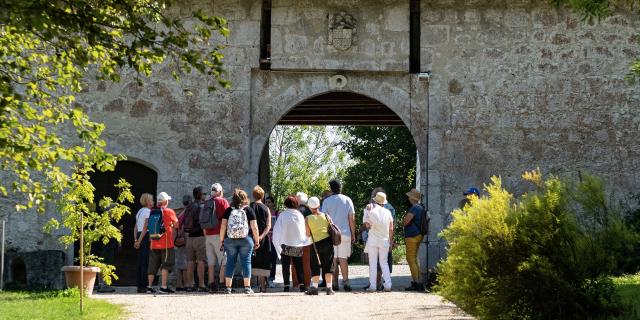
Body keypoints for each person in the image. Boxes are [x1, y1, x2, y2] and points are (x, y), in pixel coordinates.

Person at [219, 188, 260, 294]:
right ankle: (247, 287)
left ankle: (228, 288)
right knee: (246, 262)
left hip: (230, 240)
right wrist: (256, 240)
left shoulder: (228, 210)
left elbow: (223, 226)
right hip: (246, 240)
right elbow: (254, 227)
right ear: (245, 198)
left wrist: (222, 240)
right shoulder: (249, 210)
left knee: (230, 263)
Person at [320, 179, 355, 291]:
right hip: (345, 233)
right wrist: (353, 234)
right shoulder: (347, 199)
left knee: (334, 259)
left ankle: (335, 283)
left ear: (331, 189)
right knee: (343, 259)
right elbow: (351, 218)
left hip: (332, 234)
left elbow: (324, 218)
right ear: (341, 188)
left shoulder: (327, 201)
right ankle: (346, 282)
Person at [361, 187, 397, 291]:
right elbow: (391, 228)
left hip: (373, 240)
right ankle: (388, 285)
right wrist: (390, 241)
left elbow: (367, 225)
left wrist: (366, 213)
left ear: (375, 200)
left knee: (373, 263)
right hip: (385, 240)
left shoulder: (371, 211)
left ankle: (372, 286)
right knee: (384, 263)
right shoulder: (388, 212)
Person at [272, 195, 309, 292]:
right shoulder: (299, 215)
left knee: (285, 266)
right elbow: (302, 229)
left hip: (285, 243)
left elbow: (277, 230)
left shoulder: (283, 215)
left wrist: (277, 242)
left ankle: (286, 286)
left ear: (286, 204)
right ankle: (301, 285)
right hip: (297, 243)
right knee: (298, 265)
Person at [144, 191, 178, 294]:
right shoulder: (169, 211)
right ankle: (163, 287)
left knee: (152, 265)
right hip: (167, 243)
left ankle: (149, 287)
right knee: (165, 265)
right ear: (166, 201)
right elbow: (176, 225)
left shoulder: (152, 212)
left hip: (154, 242)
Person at [304, 197, 335, 295]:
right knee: (328, 265)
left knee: (315, 265)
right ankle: (329, 288)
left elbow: (308, 234)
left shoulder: (308, 218)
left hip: (315, 244)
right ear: (318, 206)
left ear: (309, 207)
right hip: (327, 242)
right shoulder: (326, 216)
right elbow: (332, 227)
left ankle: (314, 288)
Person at [203, 183, 230, 293]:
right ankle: (222, 283)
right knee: (224, 260)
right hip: (219, 234)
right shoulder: (223, 201)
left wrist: (205, 233)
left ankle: (211, 284)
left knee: (211, 261)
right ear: (219, 192)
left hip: (208, 234)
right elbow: (228, 216)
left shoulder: (207, 202)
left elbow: (203, 220)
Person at [184, 186, 207, 292]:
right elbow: (203, 222)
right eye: (204, 194)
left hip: (189, 237)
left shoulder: (189, 206)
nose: (205, 196)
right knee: (201, 261)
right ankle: (201, 284)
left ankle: (189, 284)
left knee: (190, 261)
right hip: (200, 236)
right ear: (199, 195)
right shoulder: (202, 206)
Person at [250, 185, 272, 293]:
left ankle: (249, 285)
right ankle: (263, 286)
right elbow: (268, 226)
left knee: (251, 260)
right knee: (263, 261)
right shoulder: (266, 208)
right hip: (263, 238)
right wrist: (261, 236)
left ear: (253, 196)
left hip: (251, 237)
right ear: (262, 196)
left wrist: (254, 236)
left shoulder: (249, 207)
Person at [404, 188, 426, 291]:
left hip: (412, 236)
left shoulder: (414, 208)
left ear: (412, 198)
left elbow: (406, 221)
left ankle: (417, 283)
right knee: (414, 259)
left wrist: (403, 221)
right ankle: (418, 281)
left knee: (410, 259)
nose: (408, 198)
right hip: (419, 235)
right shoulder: (421, 207)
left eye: (409, 196)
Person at [133, 193, 153, 293]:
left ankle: (139, 286)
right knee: (145, 262)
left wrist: (136, 240)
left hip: (139, 235)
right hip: (145, 236)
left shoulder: (139, 211)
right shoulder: (148, 211)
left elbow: (136, 227)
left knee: (140, 262)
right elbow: (146, 227)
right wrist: (140, 240)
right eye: (151, 200)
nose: (153, 202)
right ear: (148, 201)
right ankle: (144, 286)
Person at [294, 191, 312, 288]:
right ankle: (307, 283)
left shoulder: (295, 211)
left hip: (295, 240)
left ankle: (296, 283)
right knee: (306, 262)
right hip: (306, 239)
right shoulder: (309, 211)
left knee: (295, 263)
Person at [174, 195, 191, 291]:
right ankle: (185, 284)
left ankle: (179, 284)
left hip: (178, 239)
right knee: (184, 264)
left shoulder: (180, 212)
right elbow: (184, 226)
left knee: (180, 263)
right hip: (184, 239)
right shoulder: (186, 213)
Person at [264, 195, 279, 288]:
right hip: (265, 240)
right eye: (266, 202)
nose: (267, 204)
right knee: (265, 260)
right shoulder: (264, 212)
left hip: (274, 240)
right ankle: (264, 279)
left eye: (269, 202)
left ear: (273, 203)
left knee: (273, 260)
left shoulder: (277, 213)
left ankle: (271, 279)